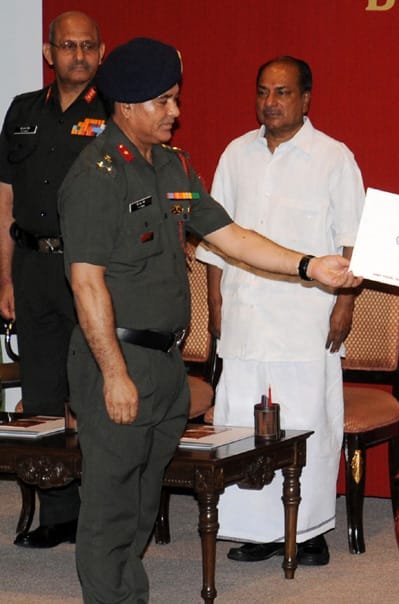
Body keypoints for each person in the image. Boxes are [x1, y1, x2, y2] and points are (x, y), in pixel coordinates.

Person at [57, 38, 360, 603]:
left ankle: (130, 593)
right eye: (164, 101)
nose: (176, 111)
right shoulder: (97, 175)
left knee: (144, 500)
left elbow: (232, 237)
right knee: (111, 504)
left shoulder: (170, 166)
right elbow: (86, 283)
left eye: (176, 99)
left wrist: (308, 265)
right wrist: (114, 374)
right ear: (126, 105)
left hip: (164, 362)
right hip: (117, 361)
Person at [195, 55, 365, 566]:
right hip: (245, 317)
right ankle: (258, 528)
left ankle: (308, 531)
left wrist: (344, 305)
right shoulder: (235, 154)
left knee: (307, 420)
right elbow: (213, 237)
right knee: (242, 425)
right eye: (264, 92)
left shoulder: (334, 158)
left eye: (283, 93)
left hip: (306, 318)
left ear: (306, 98)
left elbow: (354, 244)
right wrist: (215, 300)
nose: (271, 102)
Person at [0, 10, 107, 549]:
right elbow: (5, 200)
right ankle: (58, 513)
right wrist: (5, 278)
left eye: (88, 45)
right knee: (41, 392)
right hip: (34, 268)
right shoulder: (21, 111)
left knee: (95, 391)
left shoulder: (118, 111)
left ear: (101, 51)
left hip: (93, 271)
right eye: (68, 46)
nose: (79, 55)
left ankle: (102, 515)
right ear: (50, 53)